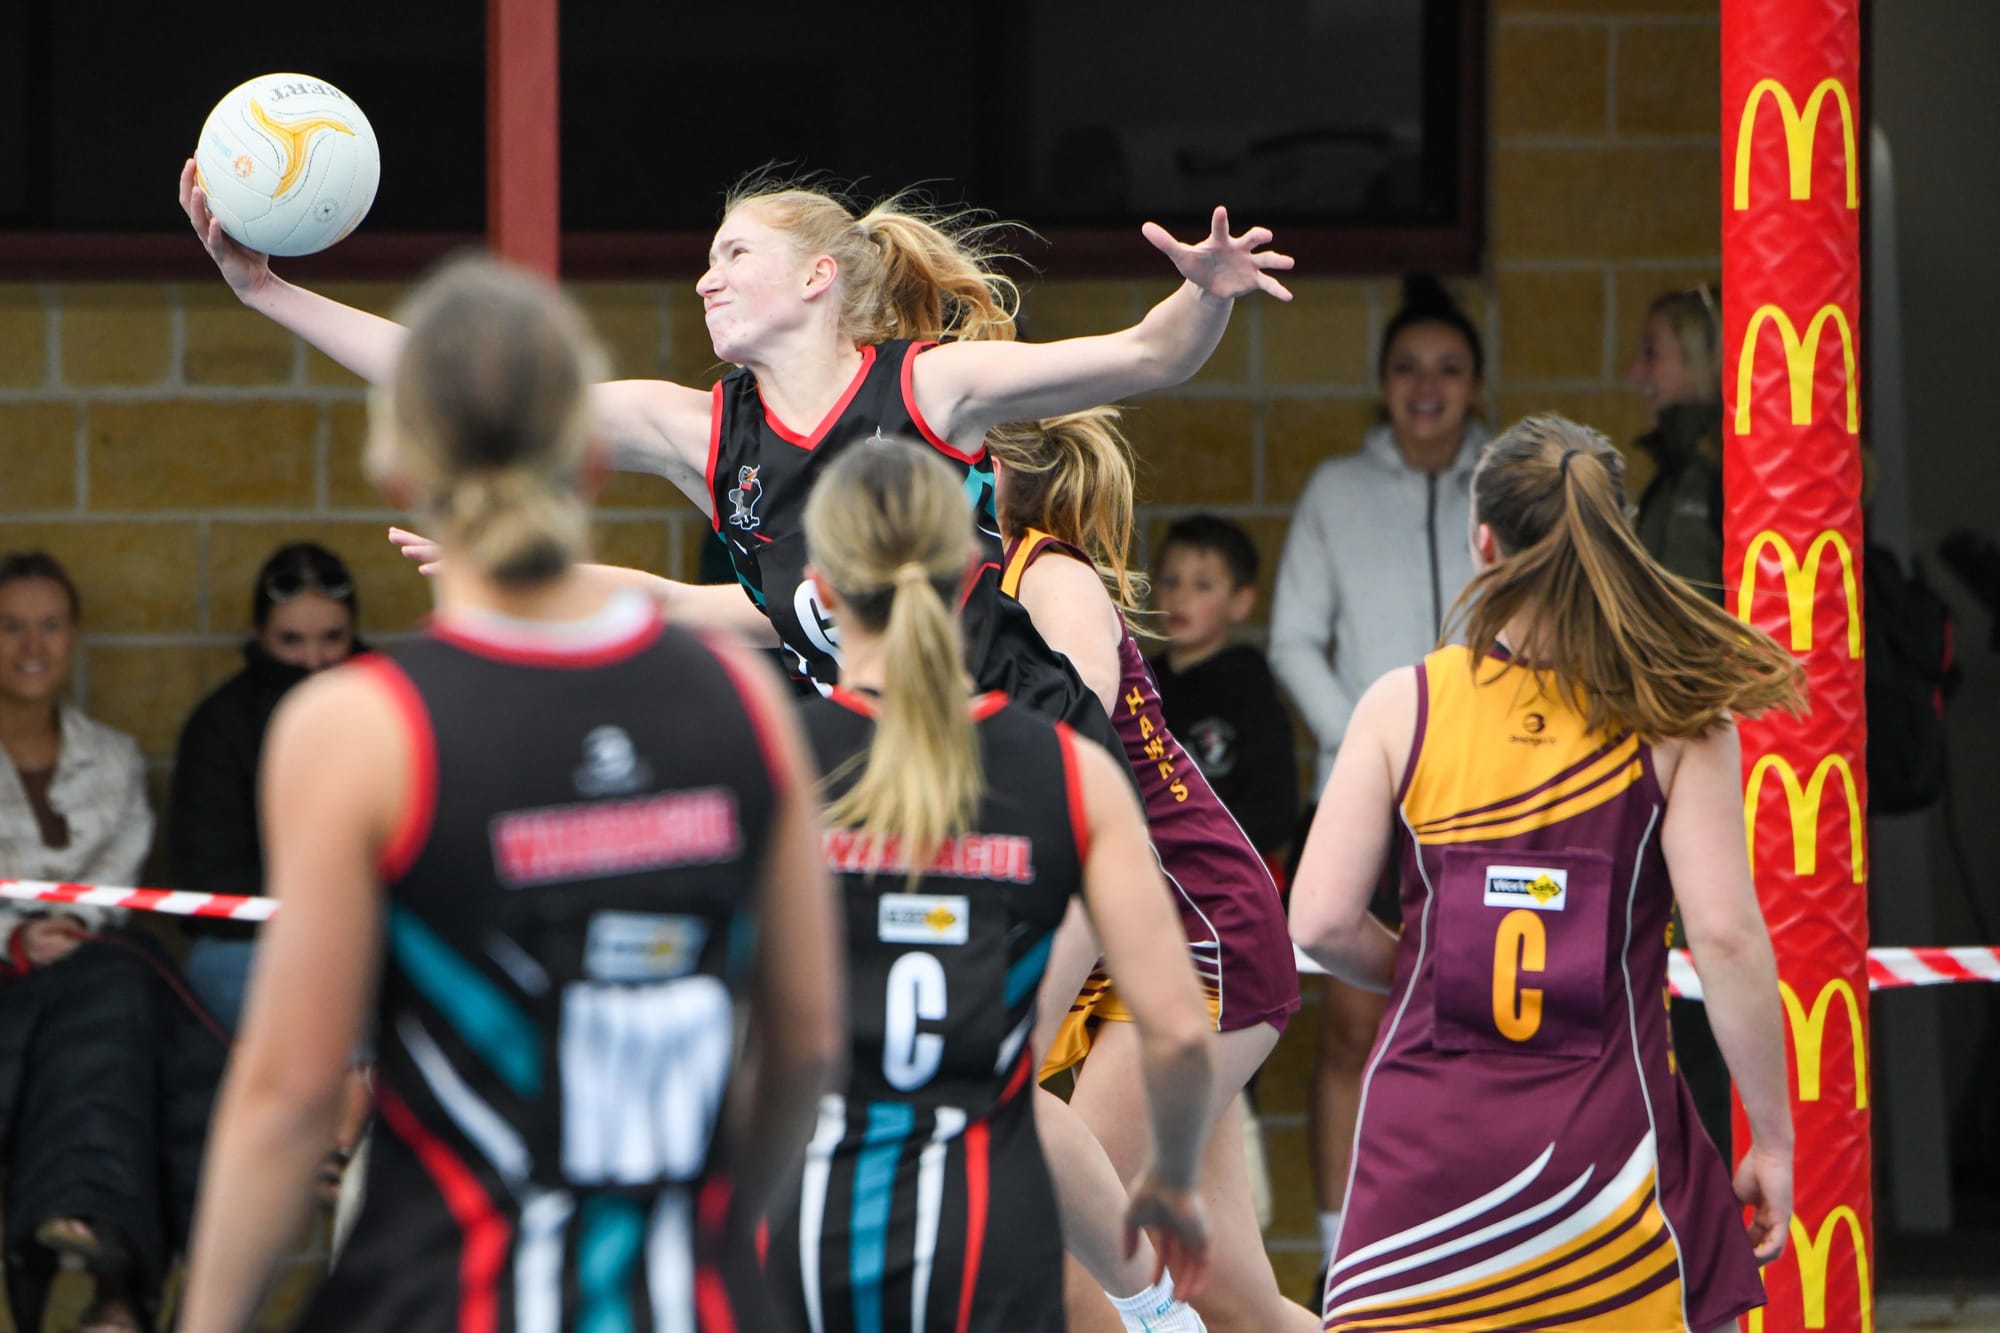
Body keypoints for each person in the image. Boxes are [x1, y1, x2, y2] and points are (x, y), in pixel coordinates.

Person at [176, 257, 844, 1333]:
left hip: (448, 1290)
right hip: (690, 1294)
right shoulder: (741, 702)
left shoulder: (357, 728)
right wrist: (716, 1235)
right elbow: (805, 1039)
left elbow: (294, 1092)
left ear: (399, 473)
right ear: (589, 465)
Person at [179, 163, 1291, 747]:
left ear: (817, 278)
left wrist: (1204, 293)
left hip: (1019, 758)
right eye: (705, 259)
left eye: (733, 253)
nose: (705, 277)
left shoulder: (926, 385)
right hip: (868, 769)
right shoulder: (704, 432)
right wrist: (264, 289)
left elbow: (1149, 357)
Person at [1290, 415, 1798, 1332]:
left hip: (1424, 1155)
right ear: (1619, 540)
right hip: (1607, 1161)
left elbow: (1319, 922)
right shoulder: (1675, 714)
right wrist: (1773, 1132)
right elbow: (1723, 938)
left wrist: (1428, 966)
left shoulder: (1403, 704)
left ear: (1481, 542)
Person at [763, 438, 1216, 1333]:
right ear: (974, 565)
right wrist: (1168, 1173)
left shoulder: (766, 762)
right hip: (988, 1221)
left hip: (810, 1218)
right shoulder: (1069, 767)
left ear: (817, 582)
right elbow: (1174, 1026)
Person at [990, 417, 1313, 1333]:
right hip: (1145, 925)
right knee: (1232, 1298)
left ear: (997, 476)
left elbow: (1084, 793)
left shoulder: (1049, 578)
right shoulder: (968, 591)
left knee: (1068, 1258)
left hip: (1193, 928)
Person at [1267, 273, 1485, 1267]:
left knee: (1484, 1029)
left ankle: (1468, 1253)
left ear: (1475, 383)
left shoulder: (1506, 486)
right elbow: (1291, 641)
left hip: (1489, 796)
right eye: (1406, 368)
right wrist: (1369, 755)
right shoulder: (1333, 491)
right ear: (1380, 383)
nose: (1426, 386)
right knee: (1354, 1030)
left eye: (1446, 367)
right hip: (1364, 803)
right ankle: (1342, 1259)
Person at [0, 550, 226, 1333]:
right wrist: (17, 936)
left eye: (50, 625)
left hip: (84, 975)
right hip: (14, 985)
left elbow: (112, 887)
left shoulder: (118, 758)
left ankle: (107, 1259)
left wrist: (60, 932)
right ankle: (129, 1294)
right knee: (133, 993)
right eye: (11, 626)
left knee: (126, 990)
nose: (33, 645)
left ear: (75, 636)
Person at [170, 541, 362, 1033]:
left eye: (333, 639)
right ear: (260, 635)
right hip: (257, 939)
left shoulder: (391, 706)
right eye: (292, 641)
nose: (314, 660)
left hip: (379, 930)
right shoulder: (219, 725)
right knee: (227, 973)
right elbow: (208, 881)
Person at [1147, 514, 1298, 878]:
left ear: (1241, 602)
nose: (1180, 596)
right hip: (1152, 872)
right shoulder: (1139, 680)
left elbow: (1276, 809)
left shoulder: (1250, 689)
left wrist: (1209, 847)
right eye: (1170, 580)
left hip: (1232, 877)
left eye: (1203, 585)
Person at [1626, 284, 1725, 601]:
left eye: (1651, 353)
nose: (1635, 373)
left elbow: (1686, 626)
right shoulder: (1676, 472)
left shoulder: (1702, 478)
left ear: (1700, 359)